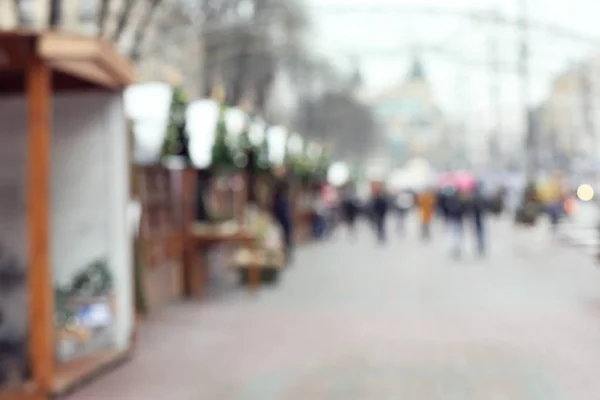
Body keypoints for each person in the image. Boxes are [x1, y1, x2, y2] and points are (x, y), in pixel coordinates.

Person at [272, 179, 293, 263]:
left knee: (285, 241)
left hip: (283, 224)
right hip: (282, 224)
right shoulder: (281, 200)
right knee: (284, 241)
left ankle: (285, 257)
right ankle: (284, 257)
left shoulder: (279, 199)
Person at [466, 182, 488, 257]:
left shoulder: (472, 196)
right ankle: (480, 245)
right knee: (480, 231)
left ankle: (479, 245)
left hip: (475, 216)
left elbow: (469, 206)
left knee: (477, 231)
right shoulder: (482, 196)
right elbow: (486, 205)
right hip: (480, 215)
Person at [445, 187, 465, 258]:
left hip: (452, 218)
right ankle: (456, 246)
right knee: (456, 233)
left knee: (453, 233)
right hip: (457, 218)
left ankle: (454, 246)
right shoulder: (461, 199)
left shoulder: (450, 199)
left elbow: (446, 208)